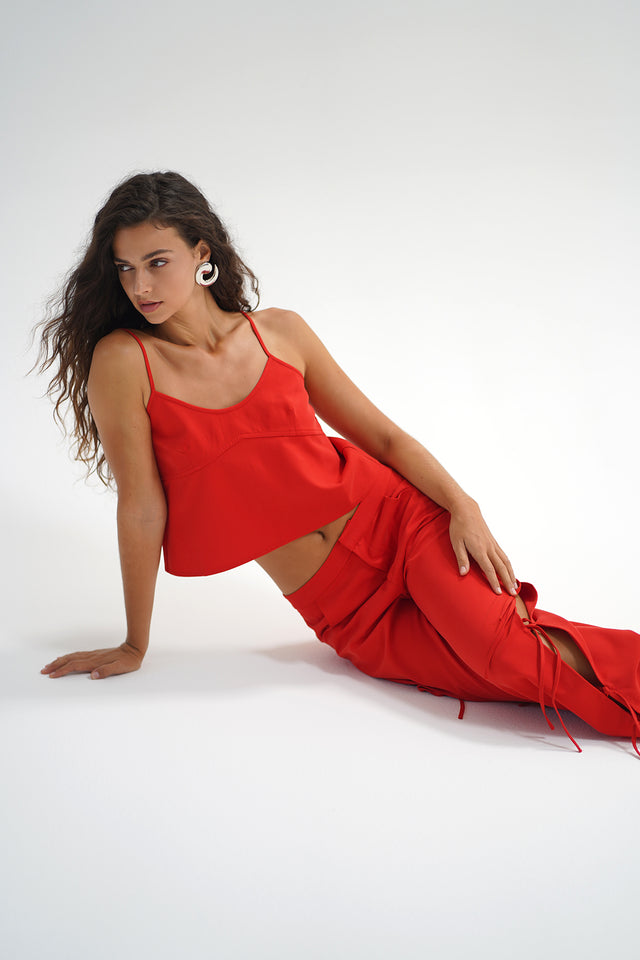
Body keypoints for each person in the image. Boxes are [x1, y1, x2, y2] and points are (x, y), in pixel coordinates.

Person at [36, 170, 640, 755]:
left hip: (402, 525)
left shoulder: (281, 332)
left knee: (505, 652)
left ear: (201, 254)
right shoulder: (124, 361)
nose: (140, 286)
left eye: (157, 262)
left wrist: (463, 506)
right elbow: (141, 506)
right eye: (125, 268)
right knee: (494, 676)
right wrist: (134, 643)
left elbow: (383, 437)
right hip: (345, 611)